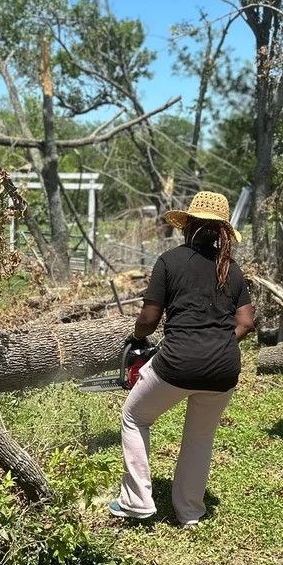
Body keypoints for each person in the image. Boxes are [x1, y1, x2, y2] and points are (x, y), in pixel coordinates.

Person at [109, 191, 254, 528]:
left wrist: (138, 339)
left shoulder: (169, 261)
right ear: (223, 232)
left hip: (177, 363)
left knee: (134, 416)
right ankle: (190, 512)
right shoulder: (231, 270)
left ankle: (137, 502)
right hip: (223, 371)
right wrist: (217, 344)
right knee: (200, 438)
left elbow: (148, 317)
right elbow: (246, 322)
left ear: (187, 225)